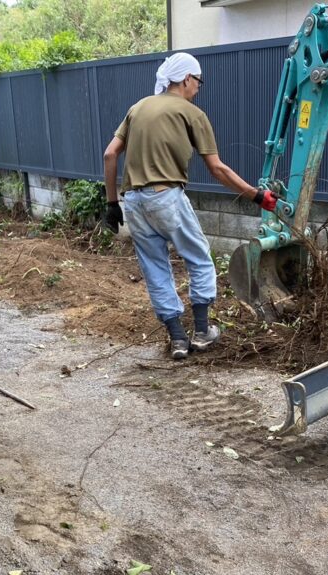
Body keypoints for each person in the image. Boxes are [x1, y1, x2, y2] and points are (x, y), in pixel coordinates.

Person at [103, 51, 278, 360]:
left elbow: (110, 155)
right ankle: (201, 331)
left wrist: (111, 203)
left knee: (155, 268)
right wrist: (256, 195)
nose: (199, 87)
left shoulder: (138, 107)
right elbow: (217, 169)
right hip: (166, 196)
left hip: (133, 202)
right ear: (186, 79)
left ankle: (177, 339)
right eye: (199, 81)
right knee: (198, 258)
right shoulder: (191, 113)